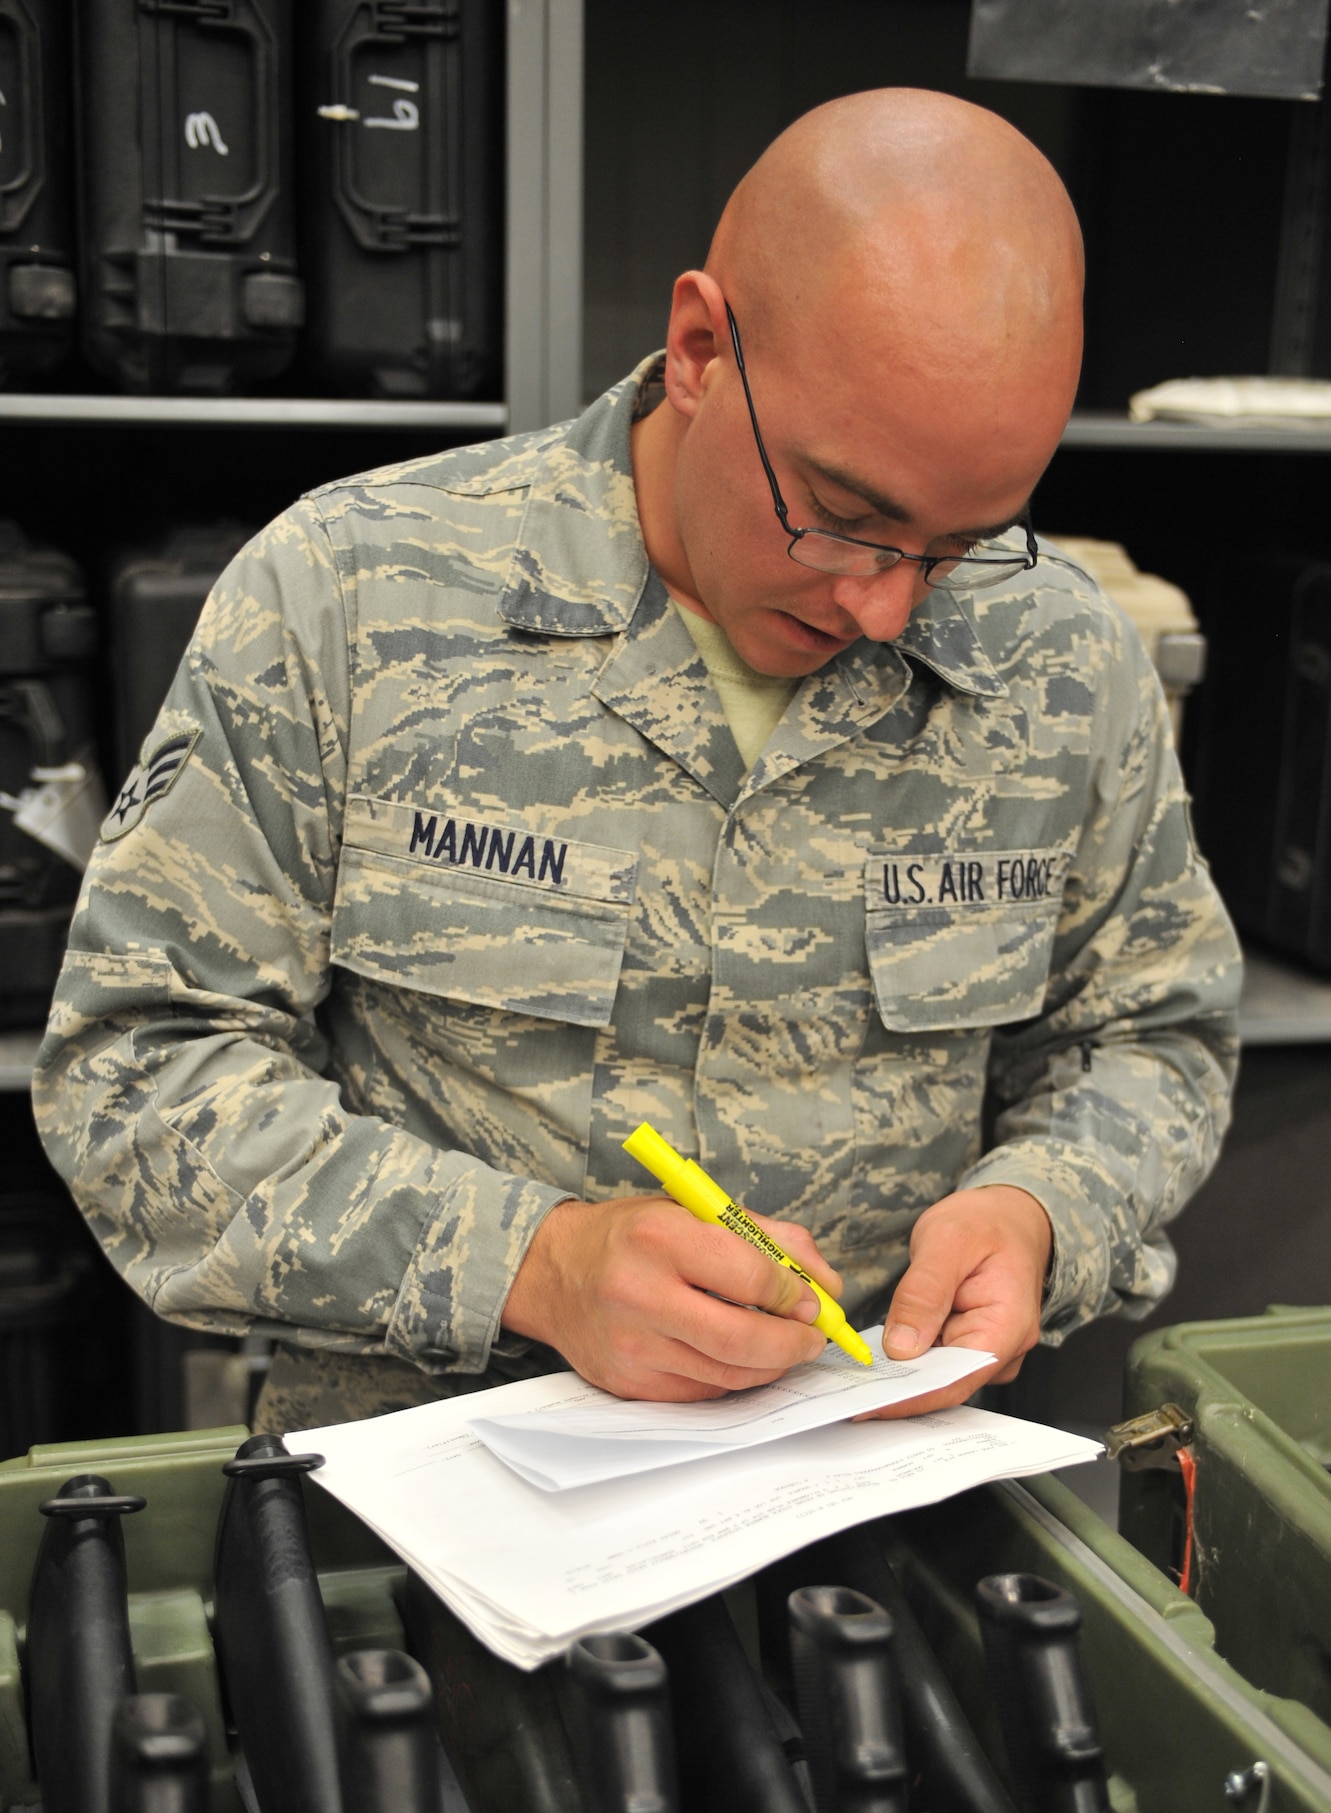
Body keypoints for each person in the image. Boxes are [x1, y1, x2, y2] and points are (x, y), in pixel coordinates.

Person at [34, 89, 1241, 1434]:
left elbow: (1155, 1037)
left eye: (960, 545)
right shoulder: (352, 595)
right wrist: (533, 1266)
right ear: (698, 348)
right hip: (442, 1520)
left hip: (867, 1508)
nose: (888, 608)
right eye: (846, 519)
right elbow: (138, 1072)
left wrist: (1042, 1213)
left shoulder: (1063, 661)